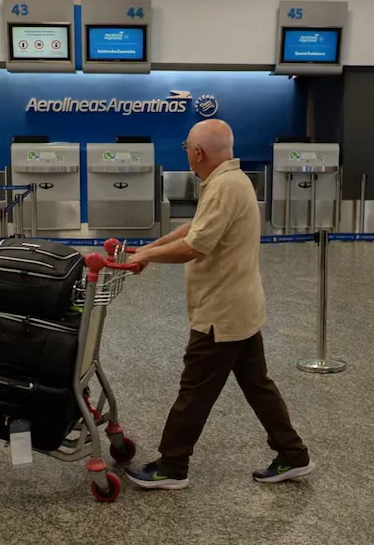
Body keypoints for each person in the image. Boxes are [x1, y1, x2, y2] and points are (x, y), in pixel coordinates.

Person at [123, 119, 314, 490]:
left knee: (195, 390)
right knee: (257, 385)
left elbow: (195, 246)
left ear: (197, 152)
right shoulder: (229, 180)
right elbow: (196, 227)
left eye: (187, 148)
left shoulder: (224, 186)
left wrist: (148, 257)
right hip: (241, 307)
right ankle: (293, 455)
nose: (187, 154)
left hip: (221, 313)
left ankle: (172, 466)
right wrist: (148, 248)